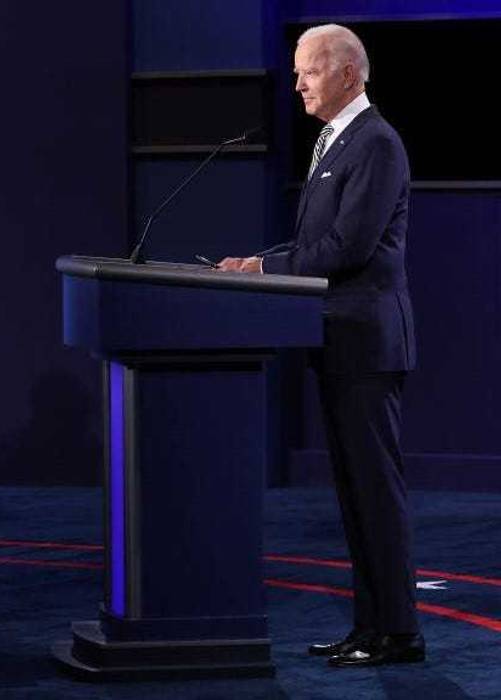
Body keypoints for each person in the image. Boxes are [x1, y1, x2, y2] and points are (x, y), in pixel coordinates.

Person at [218, 24, 421, 668]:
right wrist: (264, 263)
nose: (298, 82)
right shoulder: (338, 140)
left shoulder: (377, 143)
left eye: (309, 69)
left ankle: (399, 632)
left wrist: (261, 268)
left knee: (375, 492)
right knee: (354, 494)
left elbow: (347, 249)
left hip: (365, 345)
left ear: (348, 75)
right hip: (335, 342)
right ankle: (371, 626)